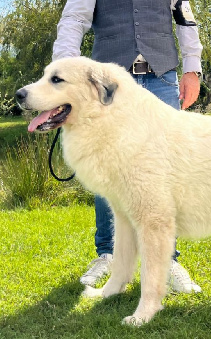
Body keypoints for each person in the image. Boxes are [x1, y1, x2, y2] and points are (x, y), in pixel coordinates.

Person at [52, 0, 202, 293]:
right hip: (109, 84)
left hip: (162, 78)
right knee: (108, 169)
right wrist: (64, 75)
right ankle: (108, 255)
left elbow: (185, 21)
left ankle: (167, 258)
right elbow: (73, 19)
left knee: (163, 171)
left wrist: (192, 69)